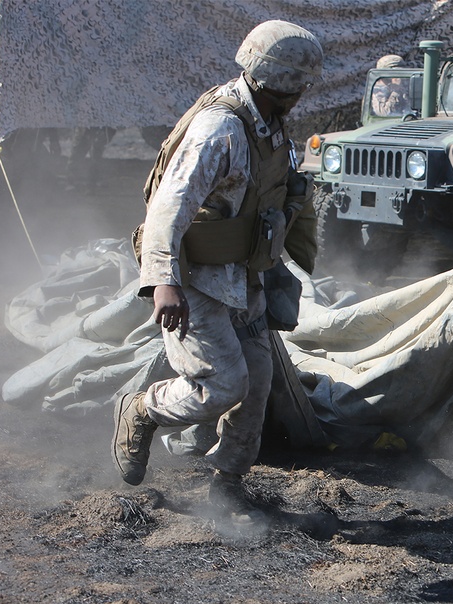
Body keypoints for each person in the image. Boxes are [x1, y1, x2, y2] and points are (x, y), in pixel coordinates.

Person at [111, 20, 324, 524]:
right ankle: (143, 409)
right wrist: (162, 280)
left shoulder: (269, 123)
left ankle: (227, 486)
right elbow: (169, 206)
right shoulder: (221, 128)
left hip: (244, 278)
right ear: (282, 81)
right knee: (223, 385)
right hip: (197, 281)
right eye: (300, 84)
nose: (302, 94)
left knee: (257, 385)